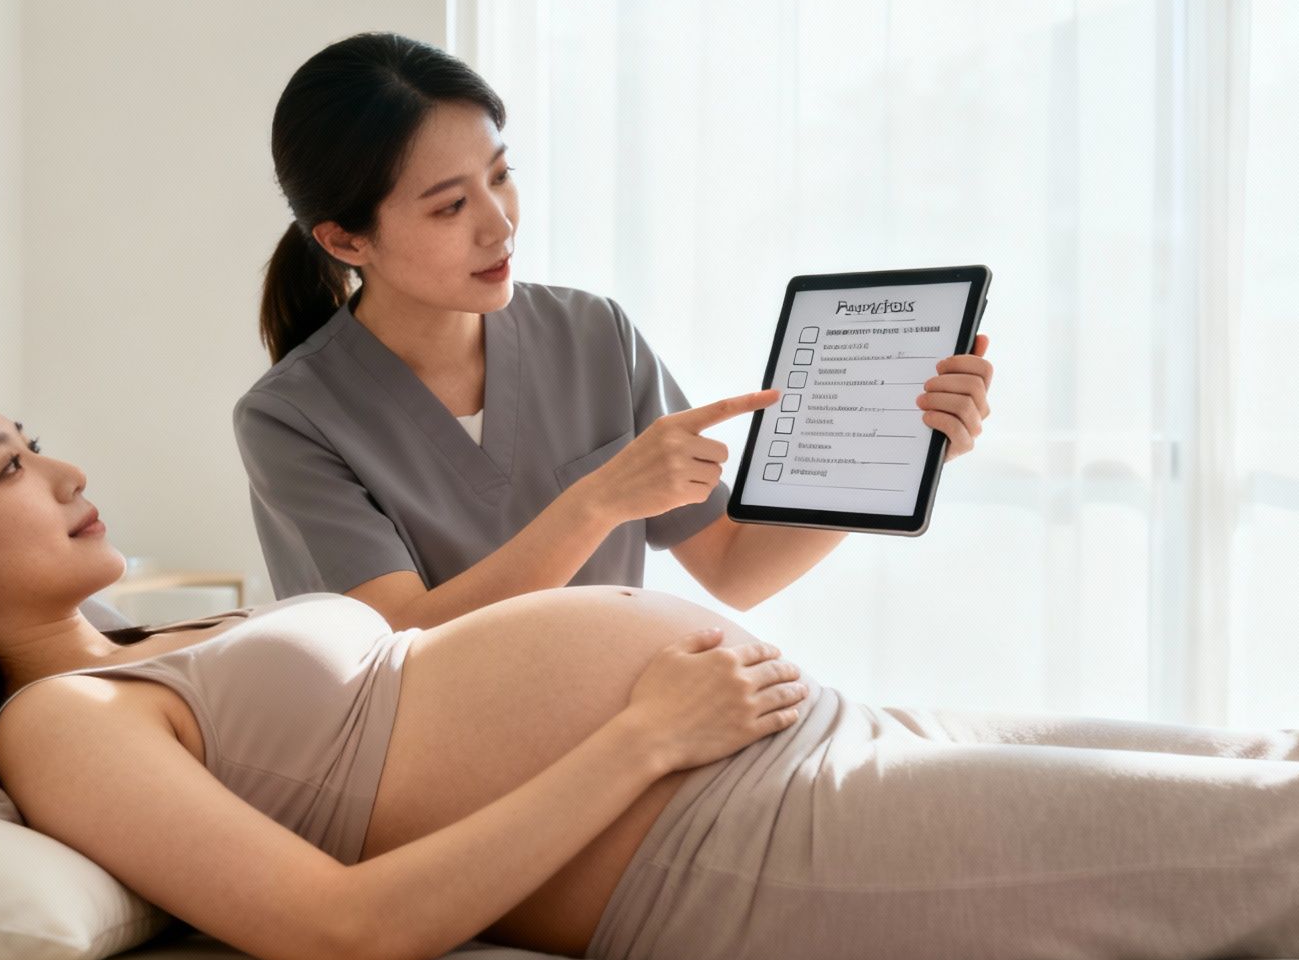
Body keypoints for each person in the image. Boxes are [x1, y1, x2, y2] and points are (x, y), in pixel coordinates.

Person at [0, 372, 1299, 960]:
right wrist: (632, 734)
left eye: (32, 440)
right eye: (5, 471)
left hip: (808, 738)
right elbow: (348, 933)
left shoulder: (158, 638)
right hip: (745, 842)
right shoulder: (57, 723)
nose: (57, 471)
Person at [237, 32, 995, 630]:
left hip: (648, 724)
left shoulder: (592, 333)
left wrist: (902, 454)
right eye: (449, 206)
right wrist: (597, 502)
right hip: (460, 774)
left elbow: (736, 568)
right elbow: (402, 641)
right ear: (344, 241)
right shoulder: (291, 419)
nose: (500, 222)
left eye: (500, 176)